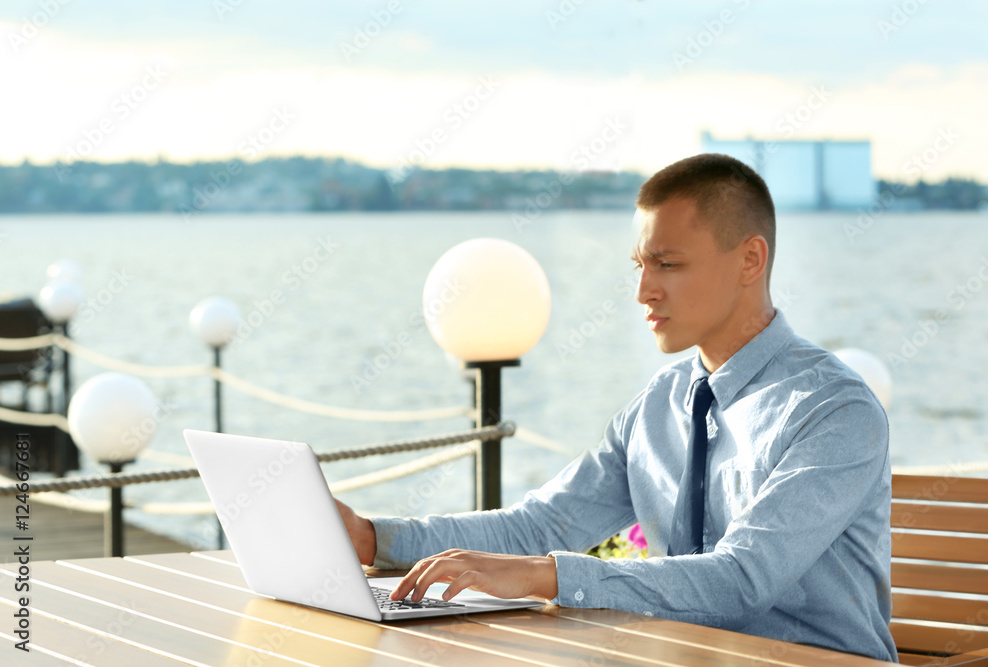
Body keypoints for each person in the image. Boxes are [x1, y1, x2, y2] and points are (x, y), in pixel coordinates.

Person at [335, 153, 896, 661]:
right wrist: (372, 539)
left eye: (668, 264)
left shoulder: (835, 411)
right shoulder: (660, 403)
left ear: (749, 260)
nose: (644, 291)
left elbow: (741, 579)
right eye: (639, 266)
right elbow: (542, 525)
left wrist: (546, 577)